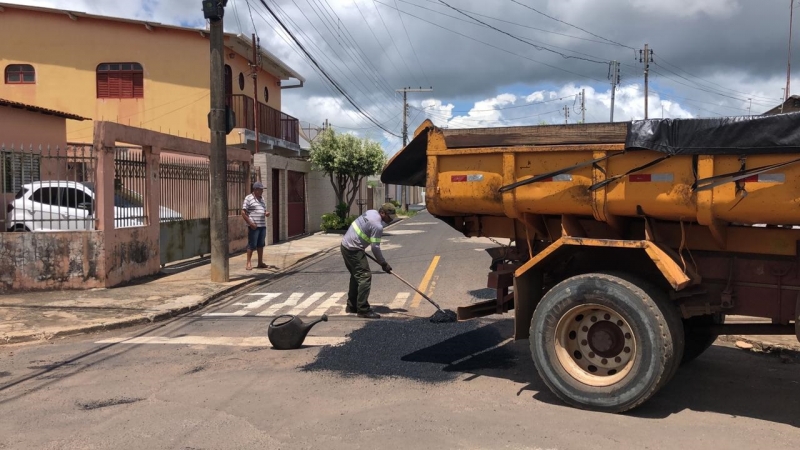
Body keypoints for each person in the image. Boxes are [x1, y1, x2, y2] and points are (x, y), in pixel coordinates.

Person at [340, 203, 398, 319]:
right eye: (389, 217)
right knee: (364, 276)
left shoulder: (371, 212)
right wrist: (383, 264)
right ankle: (363, 309)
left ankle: (352, 306)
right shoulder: (377, 226)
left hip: (346, 245)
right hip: (353, 249)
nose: (390, 220)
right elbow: (375, 247)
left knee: (356, 276)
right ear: (382, 213)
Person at [242, 181, 271, 271]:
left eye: (262, 189)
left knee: (260, 244)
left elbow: (262, 210)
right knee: (252, 244)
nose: (262, 191)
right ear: (255, 190)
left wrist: (266, 213)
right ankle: (248, 263)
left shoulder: (262, 199)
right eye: (260, 189)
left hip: (262, 225)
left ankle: (260, 262)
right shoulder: (248, 198)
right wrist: (250, 223)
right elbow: (243, 212)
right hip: (254, 226)